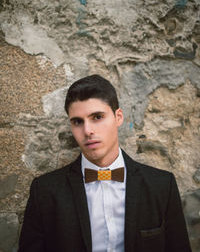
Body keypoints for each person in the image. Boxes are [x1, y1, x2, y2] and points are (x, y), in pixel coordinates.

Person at [18, 74, 192, 252]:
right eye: (78, 121)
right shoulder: (45, 191)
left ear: (118, 117)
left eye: (97, 117)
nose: (87, 131)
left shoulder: (162, 185)